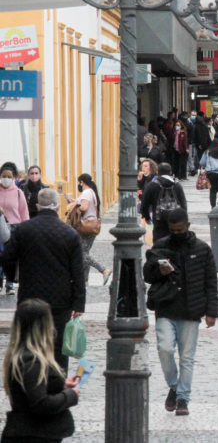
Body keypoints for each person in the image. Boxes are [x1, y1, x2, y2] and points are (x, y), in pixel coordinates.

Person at [143, 208, 218, 417]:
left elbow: (211, 281)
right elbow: (147, 274)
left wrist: (212, 311)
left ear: (188, 226)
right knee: (165, 349)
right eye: (173, 230)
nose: (176, 233)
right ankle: (175, 387)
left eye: (180, 229)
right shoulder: (161, 246)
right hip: (166, 307)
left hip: (191, 309)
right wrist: (160, 271)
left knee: (187, 357)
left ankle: (183, 398)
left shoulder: (202, 249)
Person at [1, 189, 84, 372]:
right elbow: (78, 272)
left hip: (30, 297)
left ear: (38, 206)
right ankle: (57, 381)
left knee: (30, 344)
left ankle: (32, 379)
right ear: (58, 206)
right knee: (58, 348)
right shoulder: (70, 234)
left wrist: (13, 277)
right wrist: (79, 303)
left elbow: (6, 257)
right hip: (60, 300)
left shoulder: (24, 230)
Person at [1, 299, 80, 443]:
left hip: (32, 433)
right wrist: (70, 395)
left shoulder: (23, 356)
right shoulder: (31, 361)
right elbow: (40, 403)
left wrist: (61, 386)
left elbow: (34, 391)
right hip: (34, 434)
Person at [72, 174, 111, 285]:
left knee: (81, 254)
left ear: (82, 182)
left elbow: (84, 207)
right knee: (85, 253)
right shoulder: (92, 192)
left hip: (86, 226)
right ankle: (85, 281)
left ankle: (104, 270)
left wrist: (74, 204)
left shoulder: (86, 192)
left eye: (79, 182)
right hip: (91, 225)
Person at [0, 162, 28, 295]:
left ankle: (10, 285)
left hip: (14, 227)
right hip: (0, 227)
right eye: (3, 176)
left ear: (13, 178)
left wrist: (26, 230)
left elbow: (24, 213)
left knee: (11, 257)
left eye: (9, 177)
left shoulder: (18, 193)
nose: (6, 179)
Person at [141, 163, 187, 242]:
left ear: (157, 172)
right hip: (175, 220)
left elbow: (144, 203)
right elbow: (183, 203)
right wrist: (184, 219)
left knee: (159, 242)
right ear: (170, 172)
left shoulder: (152, 185)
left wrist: (147, 217)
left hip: (158, 219)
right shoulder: (177, 185)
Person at [199, 140, 218, 208]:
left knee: (212, 190)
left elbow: (202, 162)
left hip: (211, 173)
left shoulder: (207, 152)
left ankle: (213, 206)